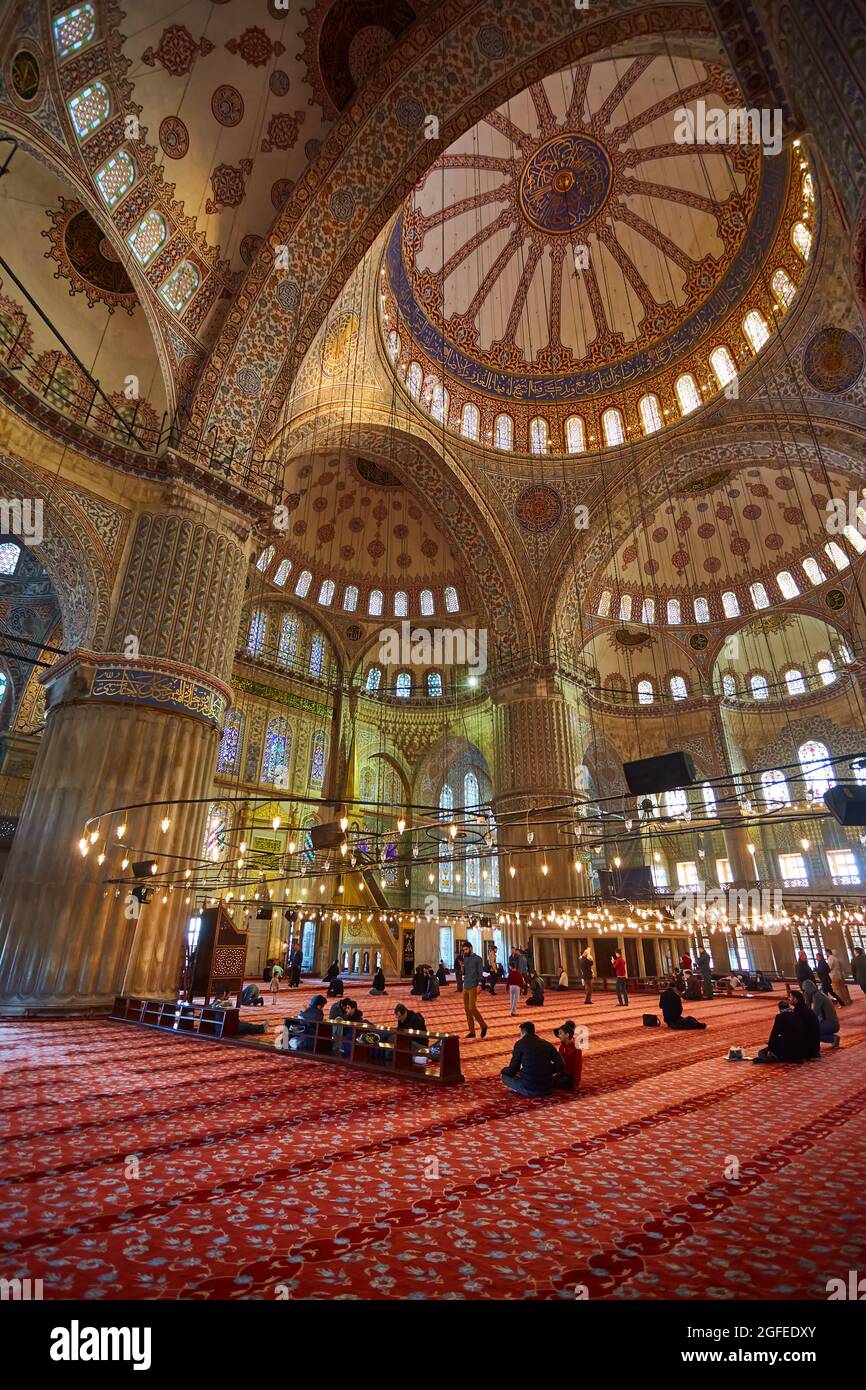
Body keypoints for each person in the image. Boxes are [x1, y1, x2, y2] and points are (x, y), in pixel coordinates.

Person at [500, 1020, 564, 1096]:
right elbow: (560, 1065)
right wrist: (546, 1070)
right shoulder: (547, 1044)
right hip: (547, 1087)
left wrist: (503, 1070)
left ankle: (520, 1089)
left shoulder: (520, 1044)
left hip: (529, 1089)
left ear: (523, 1032)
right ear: (533, 1031)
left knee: (504, 1077)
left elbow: (513, 1070)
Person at [753, 999, 808, 1063]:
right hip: (800, 1049)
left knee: (762, 1052)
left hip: (788, 1047)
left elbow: (774, 1033)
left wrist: (771, 1049)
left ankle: (772, 1058)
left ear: (779, 1008)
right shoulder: (796, 1014)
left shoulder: (780, 1017)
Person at [460, 941, 488, 1039]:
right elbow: (465, 972)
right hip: (466, 986)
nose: (464, 952)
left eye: (466, 949)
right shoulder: (465, 958)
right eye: (463, 950)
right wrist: (462, 967)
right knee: (467, 1010)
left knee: (472, 1007)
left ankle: (483, 1025)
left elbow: (480, 973)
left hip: (473, 986)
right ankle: (472, 1032)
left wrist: (480, 984)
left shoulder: (478, 959)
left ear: (471, 948)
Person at [551, 1020, 582, 1091]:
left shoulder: (576, 1047)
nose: (558, 1036)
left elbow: (578, 1066)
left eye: (560, 1033)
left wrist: (576, 1083)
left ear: (567, 1035)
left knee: (561, 1083)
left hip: (570, 1076)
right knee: (549, 1080)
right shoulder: (562, 1046)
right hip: (562, 1073)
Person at [790, 988, 820, 1059]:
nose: (789, 998)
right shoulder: (803, 1008)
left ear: (796, 999)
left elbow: (799, 1028)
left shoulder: (800, 1011)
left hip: (809, 1046)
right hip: (813, 1045)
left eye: (790, 997)